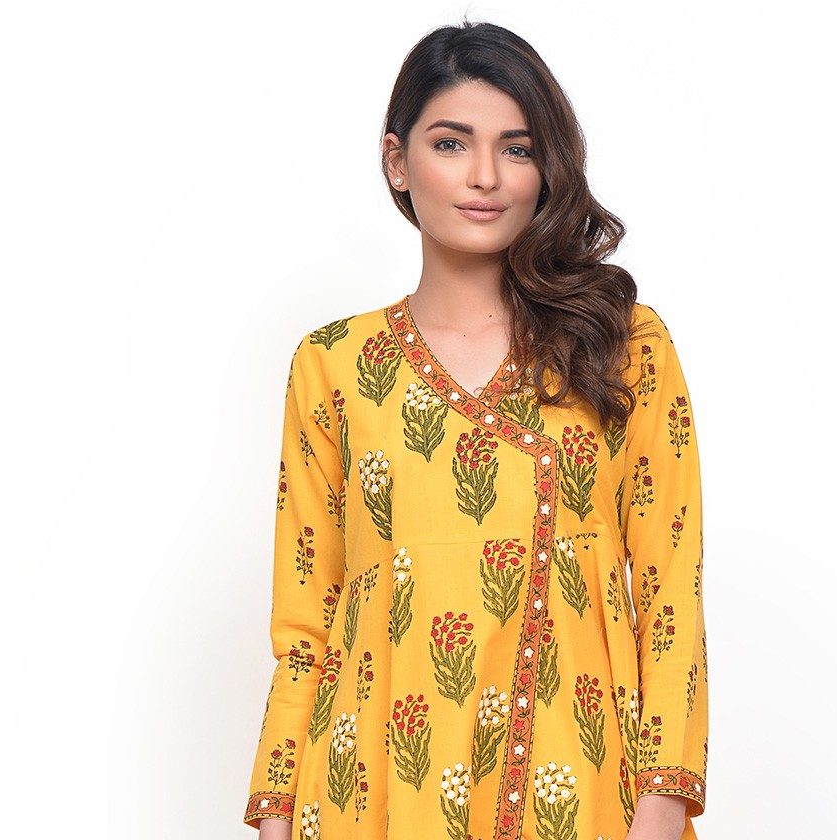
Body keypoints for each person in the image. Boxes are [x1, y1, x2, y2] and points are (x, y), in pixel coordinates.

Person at [243, 19, 708, 840]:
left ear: (546, 168)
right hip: (372, 795)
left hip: (578, 786)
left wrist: (662, 804)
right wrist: (277, 815)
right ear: (398, 161)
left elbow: (669, 590)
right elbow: (307, 629)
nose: (485, 175)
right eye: (451, 143)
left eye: (517, 149)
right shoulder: (333, 366)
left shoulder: (620, 345)